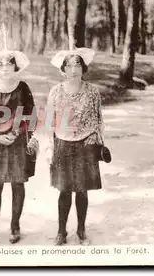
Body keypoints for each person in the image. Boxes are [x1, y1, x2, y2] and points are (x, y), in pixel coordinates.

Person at [0, 25, 37, 246]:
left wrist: (16, 133)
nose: (5, 67)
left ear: (16, 65)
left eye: (9, 62)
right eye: (0, 63)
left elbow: (30, 116)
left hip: (17, 142)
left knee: (17, 184)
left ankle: (14, 226)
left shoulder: (23, 88)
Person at [46, 45, 104, 246]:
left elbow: (98, 120)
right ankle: (61, 232)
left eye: (77, 64)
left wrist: (95, 139)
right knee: (64, 190)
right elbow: (49, 122)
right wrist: (50, 147)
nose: (73, 69)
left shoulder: (92, 92)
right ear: (63, 69)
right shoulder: (55, 92)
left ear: (83, 67)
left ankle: (81, 230)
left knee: (82, 190)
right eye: (69, 65)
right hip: (62, 144)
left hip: (85, 146)